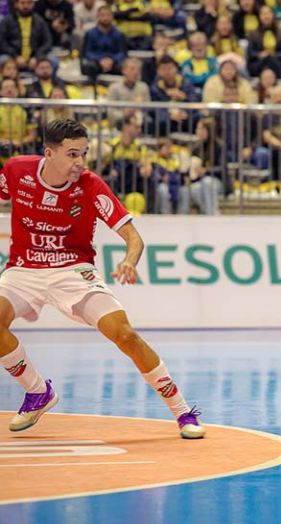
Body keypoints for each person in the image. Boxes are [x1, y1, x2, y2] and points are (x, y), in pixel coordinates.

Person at [0, 119, 204, 439]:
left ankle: (183, 411)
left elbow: (133, 237)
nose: (80, 162)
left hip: (73, 271)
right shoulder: (16, 170)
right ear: (48, 153)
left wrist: (129, 261)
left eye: (84, 153)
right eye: (72, 154)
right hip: (24, 270)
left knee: (125, 335)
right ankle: (37, 391)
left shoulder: (91, 185)